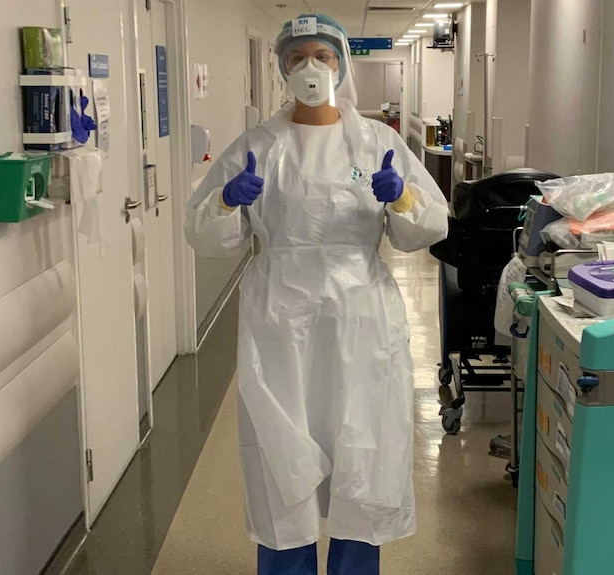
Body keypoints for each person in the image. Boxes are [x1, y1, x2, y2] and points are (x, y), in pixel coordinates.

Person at [185, 13, 449, 575]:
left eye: (323, 56)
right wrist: (228, 201)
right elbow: (205, 236)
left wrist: (400, 199)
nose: (311, 67)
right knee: (282, 455)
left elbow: (427, 228)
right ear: (282, 68)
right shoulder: (258, 145)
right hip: (281, 317)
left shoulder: (377, 141)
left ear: (341, 64)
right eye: (298, 56)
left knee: (363, 450)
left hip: (361, 316)